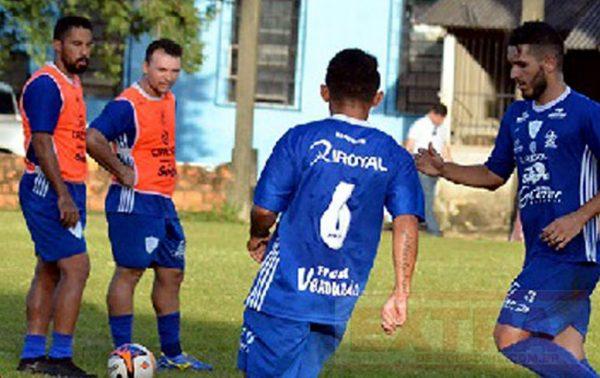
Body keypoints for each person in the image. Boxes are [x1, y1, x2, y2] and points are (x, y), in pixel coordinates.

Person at [416, 21, 600, 376]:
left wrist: (578, 218)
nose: (514, 74)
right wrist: (444, 169)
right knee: (566, 352)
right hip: (541, 252)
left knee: (510, 336)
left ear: (548, 63)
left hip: (574, 253)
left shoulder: (586, 112)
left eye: (522, 65)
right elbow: (493, 175)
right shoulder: (516, 116)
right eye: (511, 65)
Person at [237, 48, 424, 377]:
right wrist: (400, 292)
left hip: (284, 295)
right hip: (337, 301)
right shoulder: (394, 155)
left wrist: (258, 234)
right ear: (377, 98)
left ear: (324, 91)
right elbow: (406, 222)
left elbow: (265, 209)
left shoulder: (300, 139)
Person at [86, 39, 212, 372]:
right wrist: (120, 169)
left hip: (163, 203)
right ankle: (123, 353)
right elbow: (93, 137)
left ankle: (173, 353)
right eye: (161, 69)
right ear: (145, 67)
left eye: (174, 71)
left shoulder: (169, 99)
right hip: (134, 203)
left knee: (172, 274)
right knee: (129, 272)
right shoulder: (127, 104)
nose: (168, 77)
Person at [16, 16, 95, 377]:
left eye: (88, 45)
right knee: (77, 267)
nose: (83, 51)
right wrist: (63, 196)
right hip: (50, 189)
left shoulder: (72, 82)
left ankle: (33, 354)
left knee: (49, 270)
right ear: (58, 45)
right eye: (76, 44)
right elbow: (42, 142)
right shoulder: (47, 85)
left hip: (68, 188)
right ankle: (60, 357)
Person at [405, 103, 451, 236]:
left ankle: (421, 225)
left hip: (436, 168)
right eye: (440, 118)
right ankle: (433, 229)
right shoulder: (420, 125)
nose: (441, 121)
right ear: (433, 114)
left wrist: (449, 165)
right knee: (427, 197)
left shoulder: (441, 128)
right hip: (422, 167)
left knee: (425, 197)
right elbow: (410, 145)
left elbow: (444, 146)